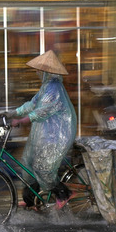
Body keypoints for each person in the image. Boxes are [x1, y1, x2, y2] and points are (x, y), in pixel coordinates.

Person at [10, 50, 77, 209]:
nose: (37, 72)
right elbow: (32, 104)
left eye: (40, 69)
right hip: (45, 135)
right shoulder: (46, 87)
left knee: (42, 168)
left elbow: (44, 110)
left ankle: (64, 193)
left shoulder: (54, 88)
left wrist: (23, 120)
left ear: (47, 71)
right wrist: (13, 113)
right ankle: (30, 200)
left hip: (56, 136)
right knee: (29, 164)